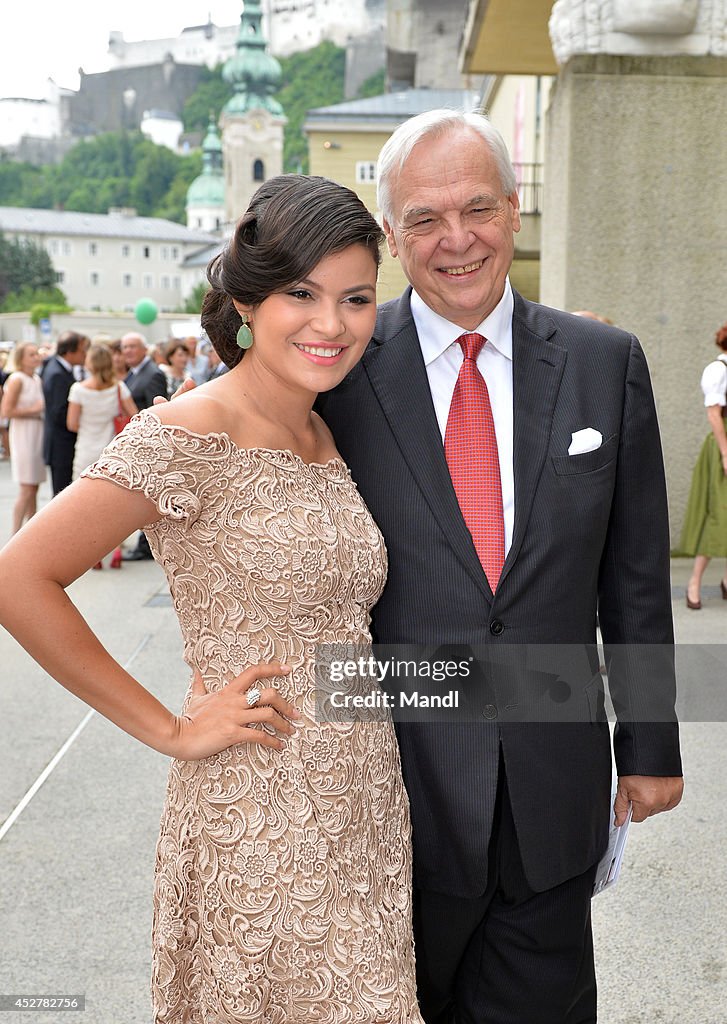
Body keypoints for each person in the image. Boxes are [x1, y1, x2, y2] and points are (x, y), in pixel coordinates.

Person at [0, 174, 422, 1024]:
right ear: (247, 300)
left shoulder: (327, 428)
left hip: (365, 806)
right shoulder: (188, 432)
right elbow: (18, 578)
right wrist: (170, 728)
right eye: (301, 293)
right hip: (257, 807)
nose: (330, 323)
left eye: (355, 298)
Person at [315, 109, 684, 1024]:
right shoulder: (338, 373)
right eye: (425, 220)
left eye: (476, 209)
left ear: (515, 212)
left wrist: (649, 744)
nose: (456, 240)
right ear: (392, 236)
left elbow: (633, 576)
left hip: (551, 782)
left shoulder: (606, 362)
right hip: (393, 785)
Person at [66, 344, 137, 569]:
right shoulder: (119, 388)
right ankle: (115, 549)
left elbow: (72, 424)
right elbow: (135, 416)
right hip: (111, 452)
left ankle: (92, 553)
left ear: (89, 363)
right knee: (113, 505)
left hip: (86, 450)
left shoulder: (78, 389)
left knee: (84, 504)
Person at [679, 321, 727, 608]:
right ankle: (694, 581)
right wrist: (724, 452)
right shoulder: (718, 371)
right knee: (717, 513)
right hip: (723, 444)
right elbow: (713, 415)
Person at [120, 332, 169, 561]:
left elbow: (157, 411)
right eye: (124, 347)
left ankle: (145, 545)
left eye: (132, 347)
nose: (127, 351)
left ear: (143, 349)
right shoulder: (133, 374)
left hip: (148, 446)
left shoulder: (152, 374)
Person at [0, 342, 46, 534]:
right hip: (23, 434)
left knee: (34, 487)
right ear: (21, 358)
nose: (36, 357)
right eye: (31, 354)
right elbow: (6, 411)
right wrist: (34, 410)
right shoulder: (17, 379)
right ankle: (15, 533)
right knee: (26, 487)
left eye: (37, 354)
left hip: (37, 433)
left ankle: (30, 532)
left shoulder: (36, 378)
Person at [42, 331, 89, 495]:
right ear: (70, 352)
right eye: (82, 351)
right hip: (61, 445)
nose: (85, 354)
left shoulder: (60, 369)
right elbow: (59, 412)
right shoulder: (57, 374)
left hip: (62, 443)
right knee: (61, 494)